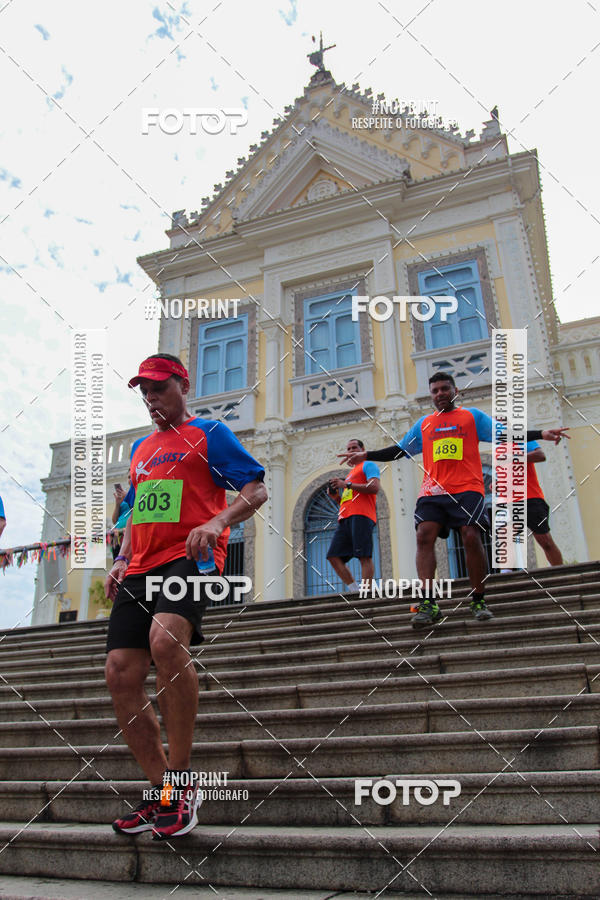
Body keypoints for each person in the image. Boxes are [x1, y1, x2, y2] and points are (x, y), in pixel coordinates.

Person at [104, 353, 267, 840]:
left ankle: (182, 781)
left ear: (183, 386)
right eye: (145, 392)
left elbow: (255, 490)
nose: (151, 399)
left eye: (159, 389)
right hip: (139, 565)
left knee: (165, 642)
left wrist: (218, 521)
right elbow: (135, 512)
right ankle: (161, 793)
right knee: (119, 672)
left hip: (189, 556)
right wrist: (119, 558)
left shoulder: (210, 434)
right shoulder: (139, 450)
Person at [339, 372, 570, 628]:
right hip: (433, 491)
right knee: (423, 535)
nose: (440, 394)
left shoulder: (472, 417)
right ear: (431, 395)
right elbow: (400, 450)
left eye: (444, 389)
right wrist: (366, 455)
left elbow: (506, 434)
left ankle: (478, 599)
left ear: (455, 390)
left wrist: (542, 433)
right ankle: (428, 603)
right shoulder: (424, 424)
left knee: (471, 536)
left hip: (467, 489)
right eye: (435, 390)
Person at [326, 438, 380, 593]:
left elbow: (374, 487)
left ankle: (366, 591)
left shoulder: (368, 465)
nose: (350, 451)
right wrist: (336, 497)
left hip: (362, 515)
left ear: (363, 450)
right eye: (348, 449)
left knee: (364, 556)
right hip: (345, 518)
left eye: (354, 448)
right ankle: (355, 590)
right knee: (333, 556)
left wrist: (346, 485)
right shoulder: (350, 474)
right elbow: (349, 499)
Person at [500, 441, 564, 570]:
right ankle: (505, 577)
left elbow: (541, 455)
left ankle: (560, 573)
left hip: (530, 498)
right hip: (510, 501)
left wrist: (515, 458)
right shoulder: (498, 446)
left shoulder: (523, 440)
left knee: (545, 541)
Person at [110, 477, 132, 560]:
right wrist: (117, 504)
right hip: (117, 535)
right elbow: (114, 521)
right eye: (128, 477)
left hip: (129, 534)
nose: (130, 479)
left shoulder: (137, 492)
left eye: (131, 476)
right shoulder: (123, 495)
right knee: (117, 561)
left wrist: (128, 497)